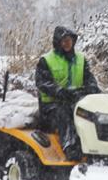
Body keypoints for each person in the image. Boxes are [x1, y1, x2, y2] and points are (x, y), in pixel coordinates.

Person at [35, 26, 99, 159]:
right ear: (57, 42)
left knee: (95, 112)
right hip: (50, 107)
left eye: (69, 40)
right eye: (64, 41)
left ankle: (100, 146)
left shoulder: (81, 59)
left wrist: (91, 88)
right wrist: (61, 92)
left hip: (76, 101)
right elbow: (43, 83)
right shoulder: (46, 60)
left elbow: (89, 78)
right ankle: (70, 147)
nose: (67, 44)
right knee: (64, 112)